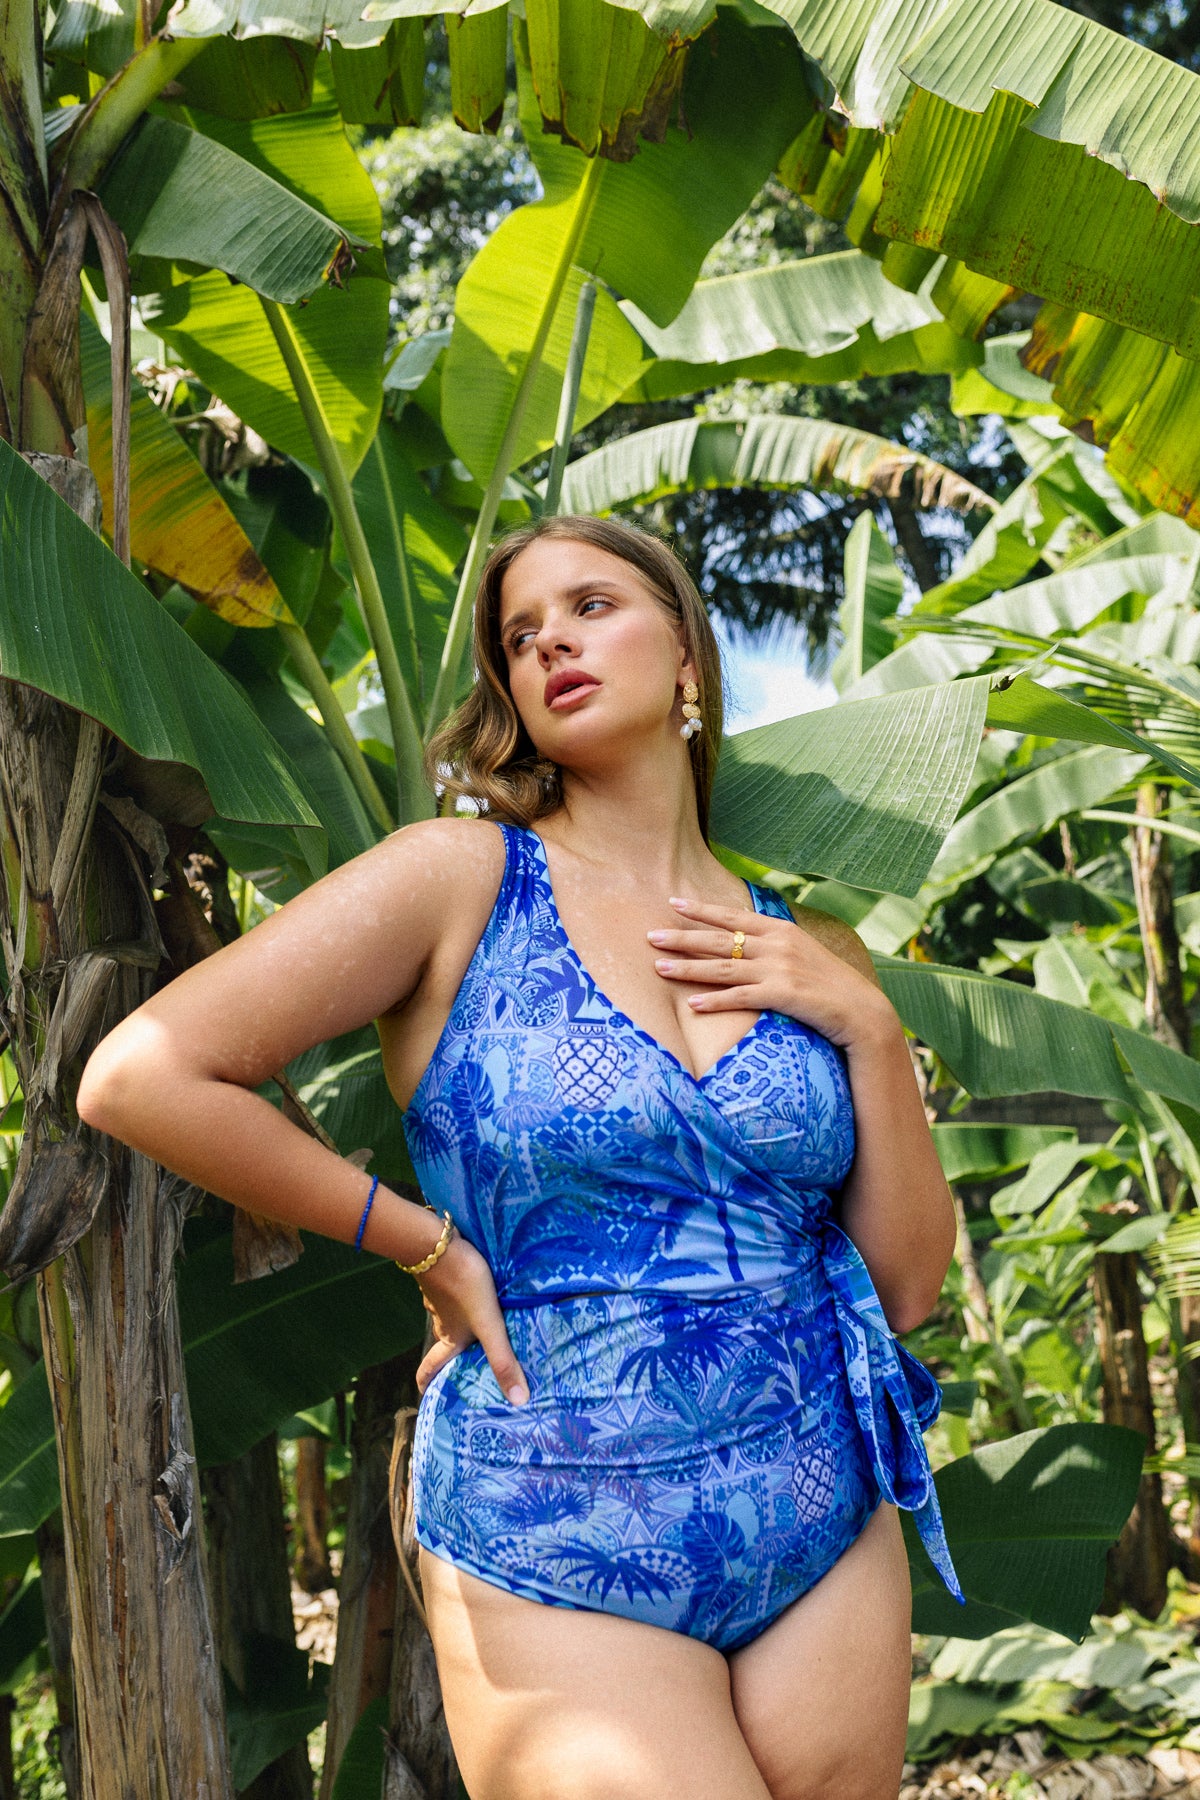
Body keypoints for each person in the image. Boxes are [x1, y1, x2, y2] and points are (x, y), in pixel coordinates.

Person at [78, 513, 962, 1800]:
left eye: (591, 607)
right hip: (555, 1519)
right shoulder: (463, 878)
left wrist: (870, 1028)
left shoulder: (808, 951)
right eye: (520, 636)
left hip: (820, 1514)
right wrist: (418, 1241)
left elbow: (907, 1291)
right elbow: (140, 1076)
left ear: (687, 659)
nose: (550, 642)